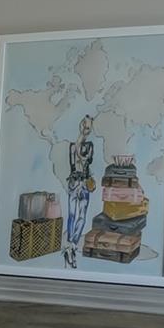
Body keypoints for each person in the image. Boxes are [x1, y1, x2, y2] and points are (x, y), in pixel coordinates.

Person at [63, 115, 96, 268]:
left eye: (88, 128)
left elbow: (84, 159)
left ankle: (72, 245)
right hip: (73, 183)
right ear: (80, 125)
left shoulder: (89, 146)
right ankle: (70, 245)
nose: (86, 130)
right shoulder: (72, 146)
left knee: (82, 216)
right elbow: (73, 162)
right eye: (84, 126)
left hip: (84, 184)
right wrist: (79, 137)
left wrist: (81, 138)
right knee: (71, 215)